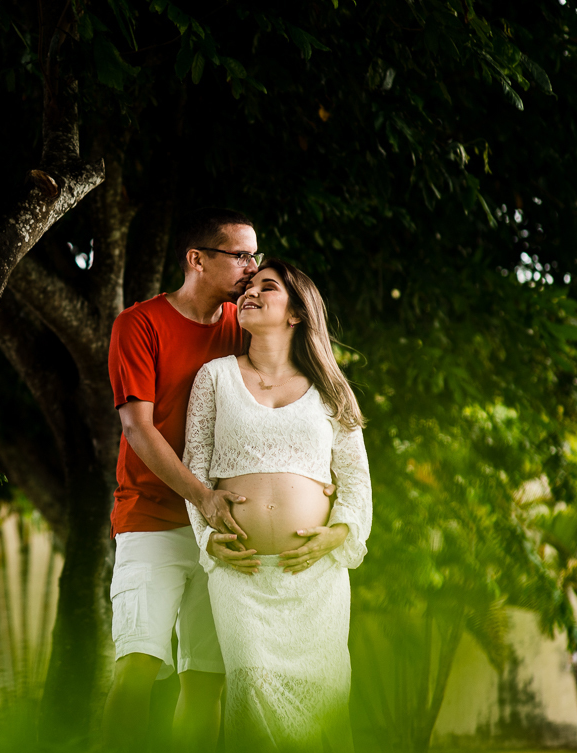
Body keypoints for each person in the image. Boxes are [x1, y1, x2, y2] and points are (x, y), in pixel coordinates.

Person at [101, 209, 333, 752]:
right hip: (152, 519)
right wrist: (203, 497)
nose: (251, 268)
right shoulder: (138, 324)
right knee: (137, 664)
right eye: (241, 256)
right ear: (197, 260)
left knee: (205, 680)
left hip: (223, 535)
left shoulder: (242, 325)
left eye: (256, 256)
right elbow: (137, 428)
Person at [184, 260, 372, 753]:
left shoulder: (331, 389)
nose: (251, 292)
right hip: (241, 579)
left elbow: (355, 480)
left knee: (322, 703)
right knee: (252, 692)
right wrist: (208, 541)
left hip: (315, 581)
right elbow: (195, 472)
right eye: (248, 286)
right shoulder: (215, 377)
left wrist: (341, 533)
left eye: (268, 287)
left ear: (296, 314)